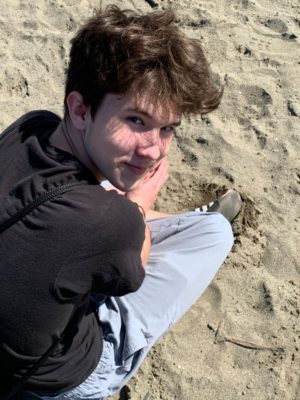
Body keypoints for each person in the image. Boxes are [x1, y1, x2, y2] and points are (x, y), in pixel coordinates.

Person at [0, 5, 241, 400]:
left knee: (109, 203)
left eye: (167, 129)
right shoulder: (108, 221)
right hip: (62, 376)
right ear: (80, 109)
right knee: (214, 233)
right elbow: (133, 274)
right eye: (136, 121)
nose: (154, 151)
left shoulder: (33, 126)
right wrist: (138, 205)